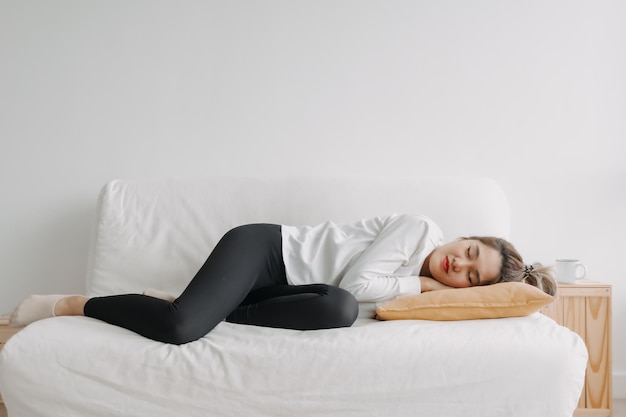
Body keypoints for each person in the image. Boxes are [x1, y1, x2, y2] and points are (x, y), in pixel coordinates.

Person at [9, 214, 555, 345]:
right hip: (265, 252)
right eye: (470, 252)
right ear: (466, 238)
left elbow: (349, 298)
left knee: (338, 310)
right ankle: (73, 305)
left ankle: (205, 304)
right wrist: (423, 287)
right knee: (181, 328)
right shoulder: (419, 230)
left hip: (287, 289)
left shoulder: (423, 291)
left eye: (470, 275)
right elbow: (365, 282)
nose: (457, 265)